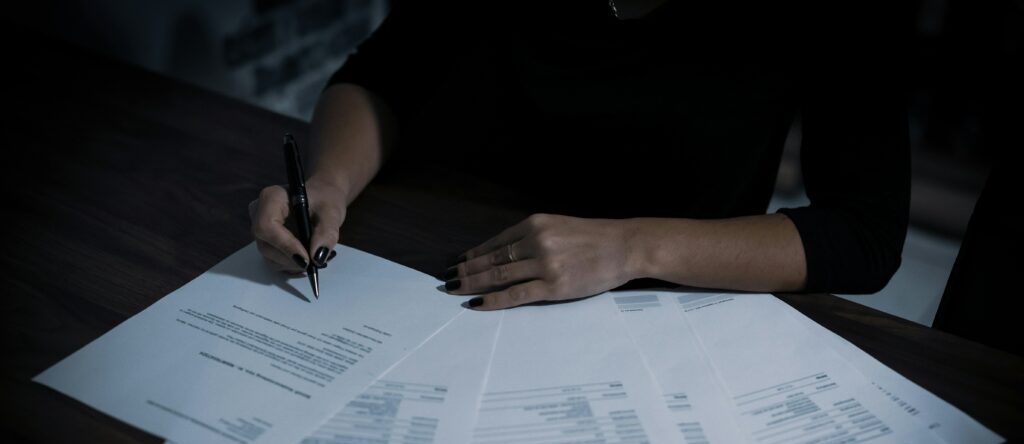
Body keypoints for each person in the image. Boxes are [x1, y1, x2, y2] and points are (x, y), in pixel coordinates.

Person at [250, 0, 910, 311]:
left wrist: (633, 247)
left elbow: (865, 232)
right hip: (436, 266)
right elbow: (385, 73)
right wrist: (329, 181)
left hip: (668, 306)